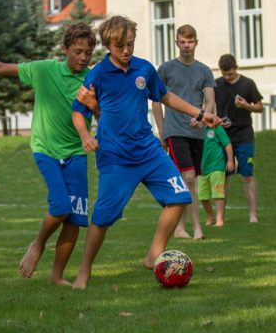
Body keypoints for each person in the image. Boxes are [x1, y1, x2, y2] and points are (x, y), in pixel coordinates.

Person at [71, 15, 221, 289]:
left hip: (149, 151)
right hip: (115, 158)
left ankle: (154, 255)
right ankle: (84, 272)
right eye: (120, 46)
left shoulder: (144, 69)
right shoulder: (97, 74)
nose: (126, 51)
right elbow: (77, 111)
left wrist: (201, 113)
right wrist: (84, 135)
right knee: (102, 219)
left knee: (179, 197)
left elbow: (164, 96)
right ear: (108, 44)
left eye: (130, 44)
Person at [0, 22, 100, 285]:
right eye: (77, 51)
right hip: (45, 149)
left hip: (76, 154)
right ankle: (37, 245)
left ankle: (56, 278)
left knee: (75, 220)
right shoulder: (44, 69)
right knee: (60, 206)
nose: (83, 57)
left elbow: (105, 117)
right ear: (64, 49)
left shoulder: (93, 79)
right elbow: (0, 67)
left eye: (88, 53)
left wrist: (94, 105)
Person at [152, 24, 216, 240]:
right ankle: (196, 227)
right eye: (183, 41)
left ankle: (179, 228)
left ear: (196, 42)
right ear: (176, 43)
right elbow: (156, 101)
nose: (187, 45)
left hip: (196, 133)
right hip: (174, 131)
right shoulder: (166, 69)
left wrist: (203, 118)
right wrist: (162, 131)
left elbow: (210, 101)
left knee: (189, 180)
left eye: (191, 41)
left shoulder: (204, 70)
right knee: (188, 177)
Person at [215, 54, 263, 223]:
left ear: (236, 68)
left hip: (244, 135)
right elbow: (208, 106)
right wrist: (218, 121)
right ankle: (220, 217)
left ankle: (253, 215)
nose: (227, 77)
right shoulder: (217, 84)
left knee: (247, 175)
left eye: (230, 73)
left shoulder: (248, 84)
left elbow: (260, 107)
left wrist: (246, 105)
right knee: (223, 176)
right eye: (224, 74)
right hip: (223, 136)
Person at [198, 125, 234, 226]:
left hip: (217, 166)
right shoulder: (197, 129)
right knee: (202, 196)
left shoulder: (217, 127)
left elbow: (227, 144)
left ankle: (220, 219)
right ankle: (211, 218)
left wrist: (230, 161)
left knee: (218, 194)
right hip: (202, 169)